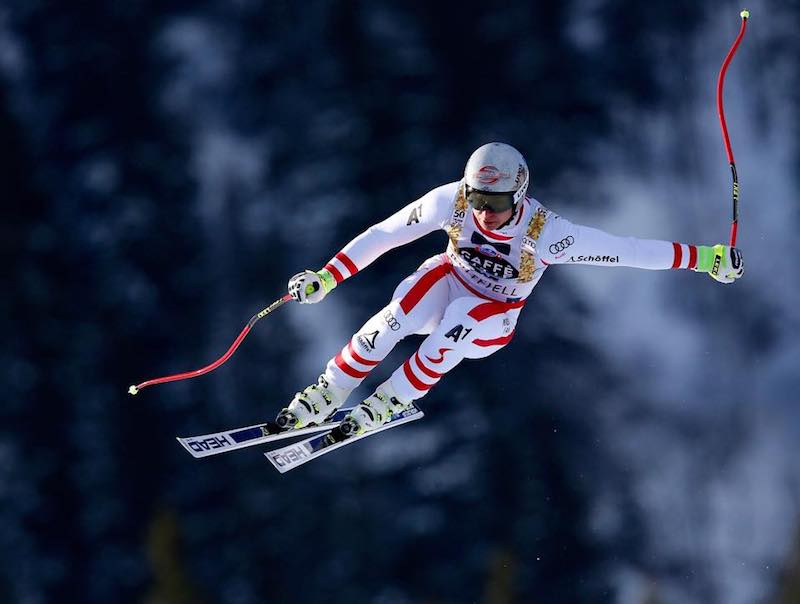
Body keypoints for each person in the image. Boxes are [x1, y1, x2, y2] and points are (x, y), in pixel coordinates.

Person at [276, 142, 744, 436]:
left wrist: (706, 259)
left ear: (518, 196)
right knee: (397, 313)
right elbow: (384, 234)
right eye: (478, 199)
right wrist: (328, 276)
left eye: (496, 203)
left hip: (492, 318)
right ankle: (327, 392)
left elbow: (627, 250)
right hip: (450, 281)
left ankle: (391, 398)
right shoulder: (450, 202)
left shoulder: (546, 233)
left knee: (459, 322)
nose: (484, 213)